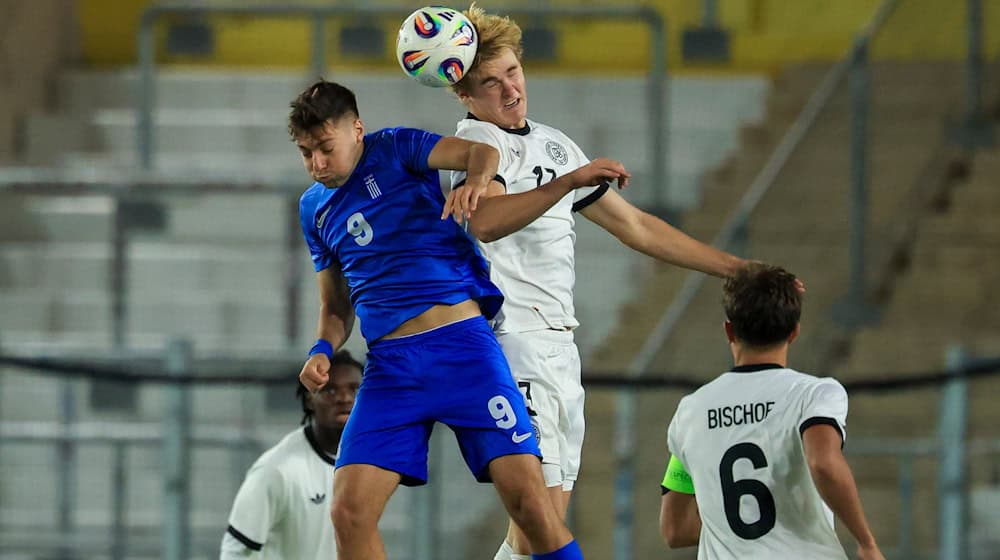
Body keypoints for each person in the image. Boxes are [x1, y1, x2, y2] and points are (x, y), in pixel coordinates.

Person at [443, 6, 753, 559]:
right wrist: (571, 181)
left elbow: (635, 226)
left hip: (561, 346)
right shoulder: (474, 147)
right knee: (541, 523)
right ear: (465, 96)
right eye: (489, 83)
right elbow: (486, 221)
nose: (509, 89)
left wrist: (735, 268)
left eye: (512, 71)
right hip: (512, 343)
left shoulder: (554, 145)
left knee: (541, 525)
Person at [292, 79, 586, 560]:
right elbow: (335, 307)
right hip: (392, 369)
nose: (317, 164)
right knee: (349, 512)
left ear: (358, 130)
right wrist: (322, 350)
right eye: (306, 154)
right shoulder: (313, 210)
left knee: (532, 507)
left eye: (325, 148)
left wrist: (474, 184)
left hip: (463, 350)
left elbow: (480, 155)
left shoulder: (396, 148)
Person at [659, 263, 884, 560]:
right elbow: (824, 463)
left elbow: (675, 529)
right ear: (794, 332)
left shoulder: (690, 412)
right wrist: (866, 543)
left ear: (729, 329)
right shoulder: (814, 394)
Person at [220, 350, 363, 559]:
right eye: (330, 390)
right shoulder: (276, 470)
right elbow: (235, 551)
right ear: (309, 400)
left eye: (354, 389)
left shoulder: (367, 466)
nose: (344, 398)